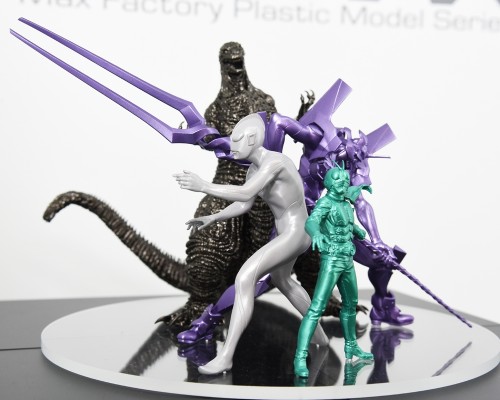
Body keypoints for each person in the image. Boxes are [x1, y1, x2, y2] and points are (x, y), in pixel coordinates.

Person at [174, 113, 328, 375]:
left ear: (253, 139)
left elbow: (245, 192)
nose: (231, 146)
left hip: (296, 232)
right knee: (283, 281)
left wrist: (203, 186)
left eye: (237, 140)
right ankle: (320, 338)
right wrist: (213, 217)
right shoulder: (254, 170)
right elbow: (244, 203)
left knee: (245, 278)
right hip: (287, 233)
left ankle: (226, 357)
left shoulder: (275, 162)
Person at [294, 166, 374, 379]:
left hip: (348, 259)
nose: (343, 182)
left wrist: (356, 229)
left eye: (345, 179)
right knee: (316, 309)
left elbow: (346, 224)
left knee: (350, 304)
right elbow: (311, 221)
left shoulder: (346, 204)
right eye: (338, 179)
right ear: (329, 183)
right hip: (331, 259)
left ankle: (351, 346)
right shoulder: (325, 203)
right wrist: (316, 234)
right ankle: (300, 357)